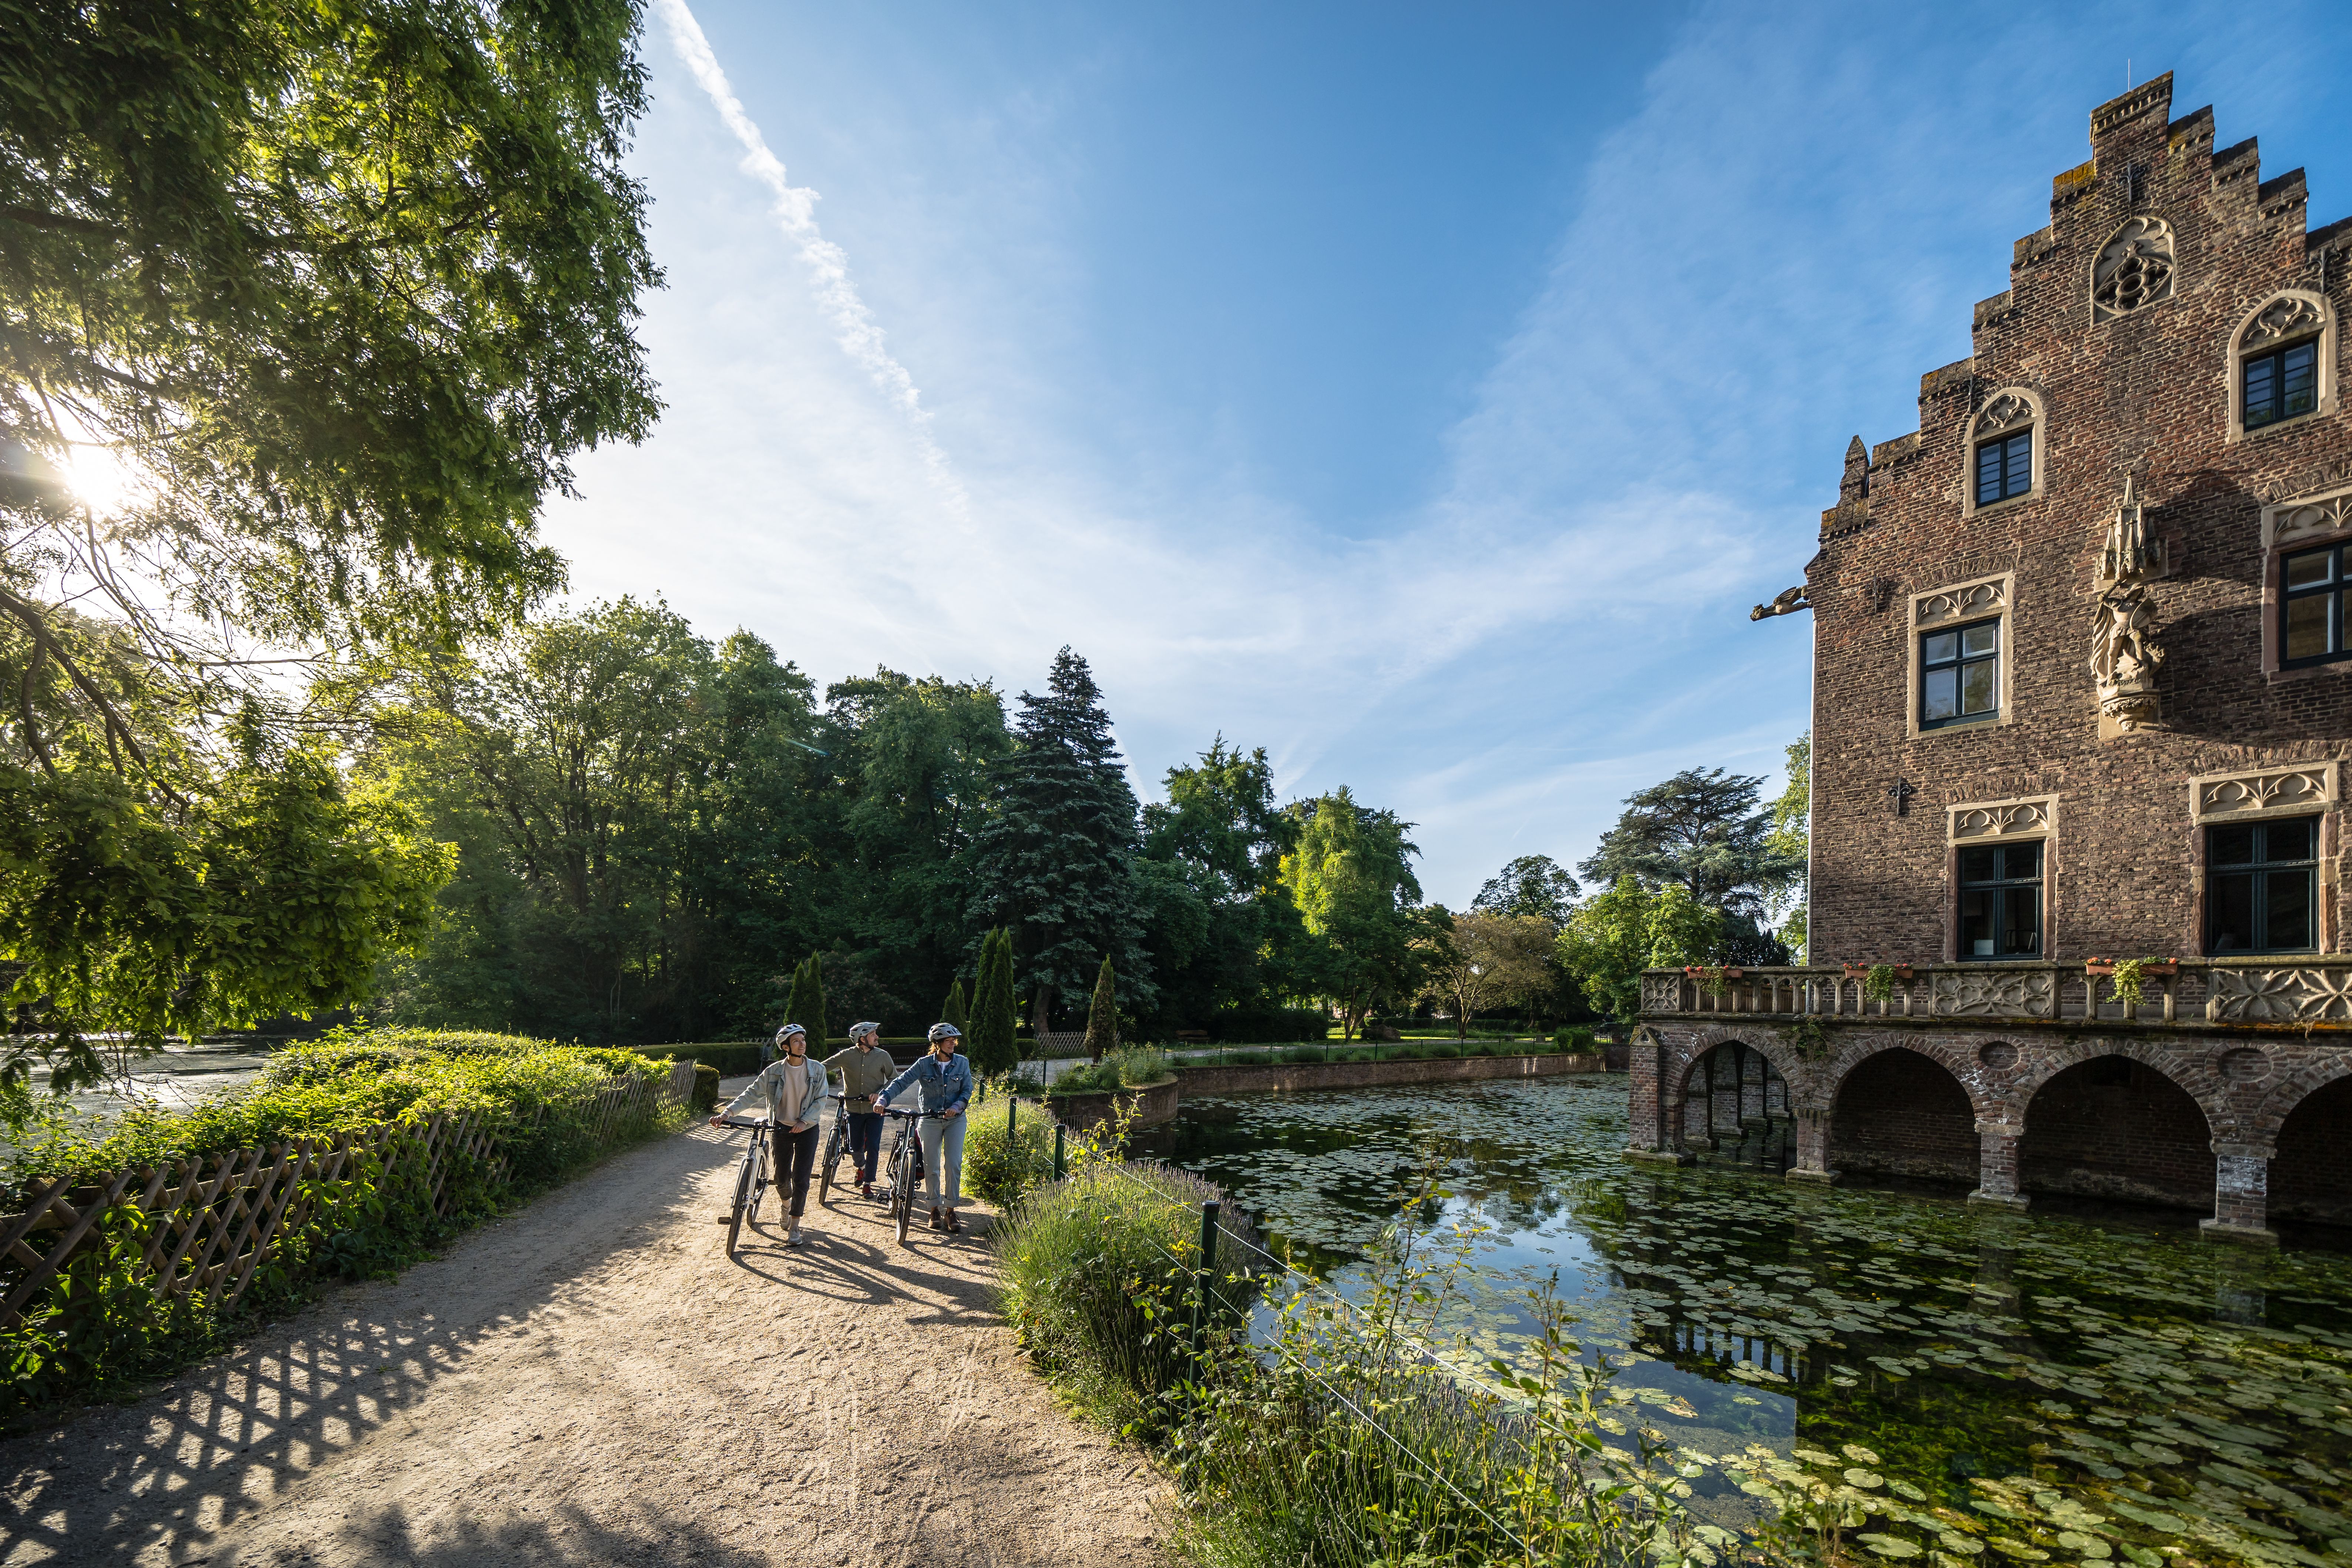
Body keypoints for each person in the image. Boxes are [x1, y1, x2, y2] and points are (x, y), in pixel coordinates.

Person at [711, 1023, 828, 1247]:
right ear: (786, 1047)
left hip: (807, 1129)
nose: (802, 1043)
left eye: (803, 1039)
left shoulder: (817, 1070)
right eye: (796, 1041)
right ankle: (786, 1204)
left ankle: (795, 1226)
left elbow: (820, 1100)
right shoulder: (774, 1071)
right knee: (782, 1178)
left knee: (801, 1179)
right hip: (781, 1128)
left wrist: (805, 1122)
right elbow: (751, 1093)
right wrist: (727, 1113)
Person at [873, 1022, 974, 1233]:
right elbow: (901, 1082)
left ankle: (951, 1211)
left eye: (954, 1040)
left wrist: (957, 1107)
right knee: (931, 1165)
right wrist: (884, 1099)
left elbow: (967, 1091)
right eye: (948, 1041)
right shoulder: (924, 1064)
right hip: (929, 1119)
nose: (953, 1044)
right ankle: (934, 1209)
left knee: (954, 1164)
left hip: (955, 1120)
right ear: (937, 1044)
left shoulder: (962, 1063)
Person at [823, 1022, 894, 1198]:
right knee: (856, 1147)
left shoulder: (883, 1056)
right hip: (853, 1109)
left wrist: (880, 1094)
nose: (877, 1037)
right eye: (873, 1035)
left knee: (874, 1146)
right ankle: (861, 1168)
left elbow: (894, 1079)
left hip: (875, 1110)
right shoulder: (846, 1056)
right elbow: (821, 1068)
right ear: (862, 1039)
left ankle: (868, 1183)